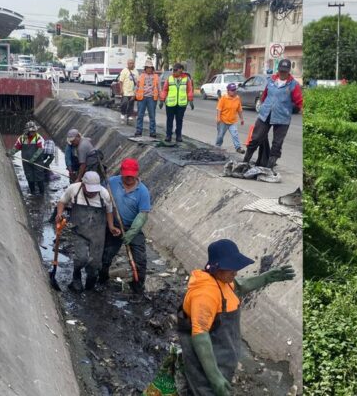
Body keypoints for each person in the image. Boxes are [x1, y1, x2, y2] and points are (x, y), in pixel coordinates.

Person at [176, 239, 296, 396]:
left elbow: (241, 285)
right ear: (216, 267)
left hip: (222, 361)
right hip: (205, 367)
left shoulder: (222, 282)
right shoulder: (205, 294)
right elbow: (200, 336)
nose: (235, 272)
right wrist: (215, 378)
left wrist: (268, 277)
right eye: (231, 268)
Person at [55, 171, 120, 291]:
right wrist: (59, 213)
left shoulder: (104, 194)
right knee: (81, 258)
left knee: (95, 263)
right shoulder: (74, 189)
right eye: (89, 190)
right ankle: (76, 277)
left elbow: (109, 211)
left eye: (94, 190)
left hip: (98, 234)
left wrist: (111, 227)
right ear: (83, 184)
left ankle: (90, 285)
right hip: (79, 231)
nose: (91, 193)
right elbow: (62, 201)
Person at [99, 158, 152, 293]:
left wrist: (132, 232)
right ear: (121, 172)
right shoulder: (111, 183)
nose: (129, 177)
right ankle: (101, 280)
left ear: (137, 173)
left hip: (132, 226)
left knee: (140, 260)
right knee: (105, 255)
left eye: (131, 175)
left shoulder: (143, 191)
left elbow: (143, 214)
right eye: (126, 174)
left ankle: (137, 288)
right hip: (114, 225)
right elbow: (100, 195)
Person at [242, 59, 302, 170]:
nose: (283, 73)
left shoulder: (294, 85)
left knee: (277, 144)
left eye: (285, 71)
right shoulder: (271, 81)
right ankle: (245, 162)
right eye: (281, 71)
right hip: (265, 114)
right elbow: (264, 96)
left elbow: (299, 102)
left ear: (289, 71)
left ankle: (269, 168)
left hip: (282, 118)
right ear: (278, 70)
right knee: (255, 138)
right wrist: (263, 107)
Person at [160, 63, 194, 144]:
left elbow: (189, 90)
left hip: (181, 104)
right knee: (169, 120)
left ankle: (178, 135)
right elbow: (165, 90)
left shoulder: (186, 79)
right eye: (173, 70)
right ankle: (168, 135)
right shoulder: (169, 78)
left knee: (179, 120)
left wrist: (191, 100)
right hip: (170, 104)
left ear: (181, 70)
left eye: (176, 70)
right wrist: (162, 99)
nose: (174, 72)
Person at [13, 121, 46, 195]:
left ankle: (42, 193)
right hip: (26, 162)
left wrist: (33, 158)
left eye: (34, 131)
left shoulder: (39, 138)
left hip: (37, 162)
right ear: (27, 131)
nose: (33, 133)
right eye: (31, 131)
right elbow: (16, 147)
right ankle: (32, 193)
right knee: (29, 177)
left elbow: (41, 149)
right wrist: (11, 152)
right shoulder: (22, 138)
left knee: (39, 177)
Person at [215, 83, 246, 154]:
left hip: (232, 121)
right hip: (223, 120)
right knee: (220, 135)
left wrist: (242, 119)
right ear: (228, 91)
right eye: (232, 90)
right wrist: (218, 118)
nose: (233, 91)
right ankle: (217, 147)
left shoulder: (237, 98)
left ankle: (238, 148)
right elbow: (219, 109)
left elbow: (239, 110)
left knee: (235, 134)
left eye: (234, 90)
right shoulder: (223, 98)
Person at [134, 59, 161, 138]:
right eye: (147, 67)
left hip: (152, 98)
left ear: (152, 68)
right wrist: (134, 95)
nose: (149, 69)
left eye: (150, 67)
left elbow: (159, 88)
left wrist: (161, 97)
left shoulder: (156, 76)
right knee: (140, 115)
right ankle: (139, 131)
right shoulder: (141, 76)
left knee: (152, 116)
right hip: (142, 98)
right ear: (145, 68)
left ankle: (152, 132)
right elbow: (137, 86)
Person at [117, 58, 138, 123]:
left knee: (131, 104)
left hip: (132, 91)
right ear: (128, 64)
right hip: (125, 91)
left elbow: (137, 82)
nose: (132, 64)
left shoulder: (136, 71)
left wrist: (136, 91)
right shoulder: (124, 71)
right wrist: (121, 90)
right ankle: (123, 113)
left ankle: (129, 115)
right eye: (130, 63)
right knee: (124, 103)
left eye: (132, 63)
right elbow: (121, 81)